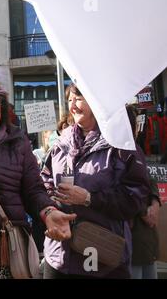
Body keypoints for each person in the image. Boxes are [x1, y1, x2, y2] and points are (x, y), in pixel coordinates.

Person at [0, 79, 76, 279]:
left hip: (4, 246)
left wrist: (49, 212)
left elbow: (33, 189)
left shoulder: (18, 142)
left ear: (1, 109)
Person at [41, 84, 150, 278]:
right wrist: (52, 211)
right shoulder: (60, 144)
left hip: (104, 258)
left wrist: (89, 198)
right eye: (69, 101)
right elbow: (43, 181)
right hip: (59, 258)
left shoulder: (121, 145)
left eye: (79, 99)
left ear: (97, 101)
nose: (72, 106)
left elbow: (136, 198)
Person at [126, 104, 161, 279]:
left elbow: (149, 178)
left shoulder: (137, 149)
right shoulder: (111, 151)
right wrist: (143, 212)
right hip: (130, 231)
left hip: (146, 235)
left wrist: (155, 202)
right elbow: (119, 187)